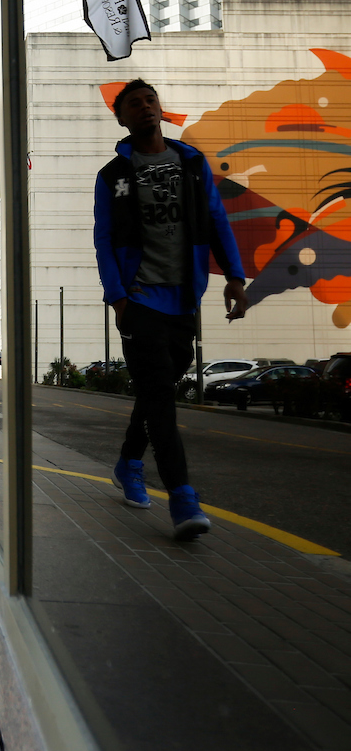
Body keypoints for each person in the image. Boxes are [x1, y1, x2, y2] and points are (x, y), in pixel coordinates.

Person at [94, 78, 247, 540]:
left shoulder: (191, 163)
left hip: (183, 296)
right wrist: (117, 296)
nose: (144, 108)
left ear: (160, 108)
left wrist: (235, 278)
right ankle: (182, 497)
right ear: (120, 118)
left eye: (150, 101)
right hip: (139, 299)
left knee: (162, 382)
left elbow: (217, 219)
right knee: (160, 395)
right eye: (134, 105)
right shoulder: (112, 176)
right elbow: (104, 239)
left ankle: (128, 461)